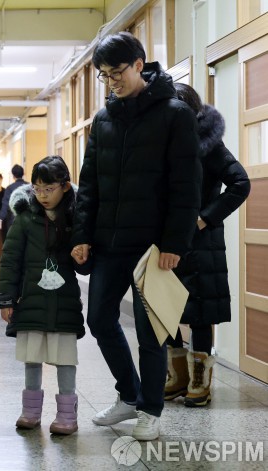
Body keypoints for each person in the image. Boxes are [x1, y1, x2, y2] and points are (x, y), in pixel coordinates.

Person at [70, 32, 202, 441]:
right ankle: (129, 394)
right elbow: (89, 184)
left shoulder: (175, 114)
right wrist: (82, 235)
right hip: (109, 243)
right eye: (105, 76)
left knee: (150, 333)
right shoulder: (104, 120)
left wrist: (174, 243)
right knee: (98, 319)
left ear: (139, 65)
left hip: (153, 248)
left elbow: (186, 186)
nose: (112, 82)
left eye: (117, 72)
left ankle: (150, 409)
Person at [163, 83, 250, 407]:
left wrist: (204, 218)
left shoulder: (208, 143)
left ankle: (199, 380)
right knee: (164, 307)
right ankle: (177, 376)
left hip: (201, 241)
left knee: (199, 311)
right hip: (167, 238)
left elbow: (240, 182)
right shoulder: (160, 143)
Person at [0, 156, 91, 435]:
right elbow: (10, 261)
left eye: (49, 189)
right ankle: (30, 412)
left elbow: (86, 264)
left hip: (64, 300)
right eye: (37, 188)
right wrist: (6, 299)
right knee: (32, 355)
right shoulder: (25, 219)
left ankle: (67, 415)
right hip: (31, 299)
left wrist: (82, 256)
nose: (42, 195)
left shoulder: (76, 219)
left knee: (65, 357)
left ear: (65, 186)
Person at [0, 164, 27, 235]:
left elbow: (5, 205)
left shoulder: (10, 188)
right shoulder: (30, 187)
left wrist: (0, 219)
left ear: (13, 176)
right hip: (29, 221)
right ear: (23, 174)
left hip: (14, 221)